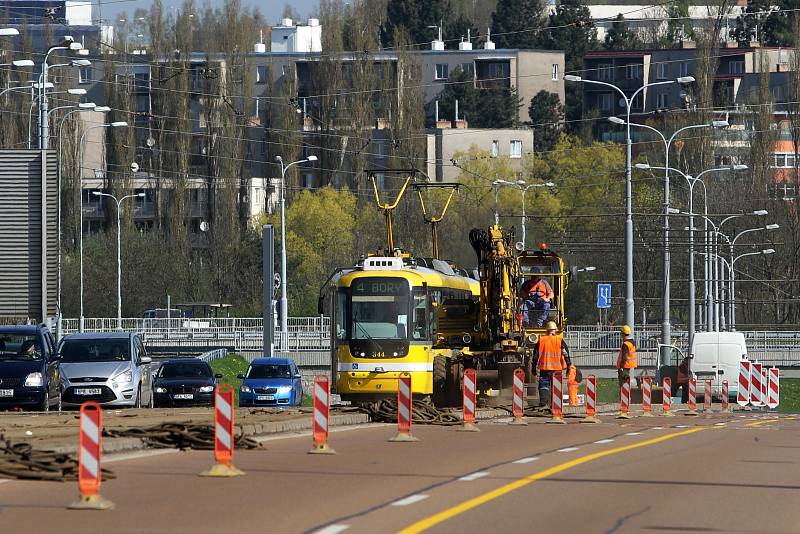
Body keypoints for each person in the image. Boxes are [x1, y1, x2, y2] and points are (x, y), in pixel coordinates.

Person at [535, 321, 571, 409]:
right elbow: (566, 354)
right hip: (557, 369)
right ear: (554, 330)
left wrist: (533, 368)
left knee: (544, 386)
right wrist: (569, 365)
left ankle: (544, 404)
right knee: (556, 386)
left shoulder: (542, 340)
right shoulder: (559, 340)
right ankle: (556, 405)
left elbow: (535, 356)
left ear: (547, 330)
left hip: (545, 369)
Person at [616, 324, 638, 390]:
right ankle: (626, 395)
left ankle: (624, 396)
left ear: (623, 334)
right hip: (629, 364)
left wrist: (621, 367)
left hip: (625, 365)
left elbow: (624, 357)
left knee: (623, 382)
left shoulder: (626, 344)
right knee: (626, 381)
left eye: (621, 333)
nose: (620, 334)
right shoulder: (632, 342)